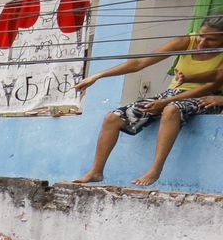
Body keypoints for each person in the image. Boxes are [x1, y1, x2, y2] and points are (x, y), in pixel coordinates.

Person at [73, 14, 223, 186]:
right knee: (113, 118)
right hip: (172, 94)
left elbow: (211, 86)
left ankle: (155, 170)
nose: (202, 43)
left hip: (204, 98)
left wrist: (165, 102)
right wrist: (98, 76)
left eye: (211, 40)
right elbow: (140, 63)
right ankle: (96, 172)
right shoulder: (187, 42)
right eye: (201, 36)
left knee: (172, 109)